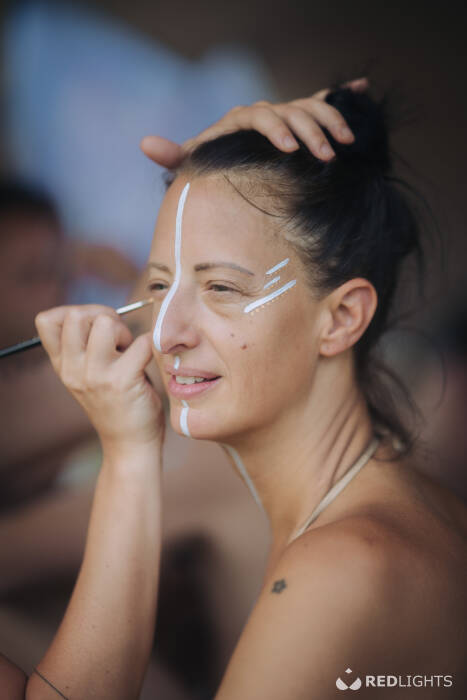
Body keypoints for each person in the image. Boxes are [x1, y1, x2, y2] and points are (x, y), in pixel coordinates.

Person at [1, 77, 465, 699]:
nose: (164, 334)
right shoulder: (373, 519)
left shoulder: (336, 574)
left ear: (342, 318)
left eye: (221, 287)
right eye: (158, 287)